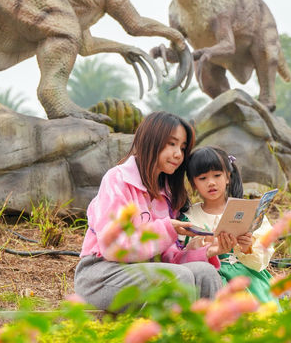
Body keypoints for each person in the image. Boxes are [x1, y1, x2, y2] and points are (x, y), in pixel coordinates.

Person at [74, 112, 222, 311]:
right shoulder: (118, 180)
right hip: (102, 273)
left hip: (147, 270)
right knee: (177, 277)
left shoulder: (166, 194)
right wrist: (167, 228)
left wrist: (204, 251)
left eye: (183, 147)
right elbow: (114, 247)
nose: (178, 154)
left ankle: (206, 339)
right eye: (172, 144)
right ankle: (161, 340)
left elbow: (167, 258)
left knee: (205, 272)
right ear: (151, 140)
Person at [183, 147, 275, 303]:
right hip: (211, 280)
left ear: (228, 177)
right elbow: (182, 254)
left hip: (249, 278)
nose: (211, 182)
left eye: (217, 175)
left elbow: (266, 246)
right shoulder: (188, 217)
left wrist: (247, 247)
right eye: (203, 178)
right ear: (193, 183)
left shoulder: (248, 210)